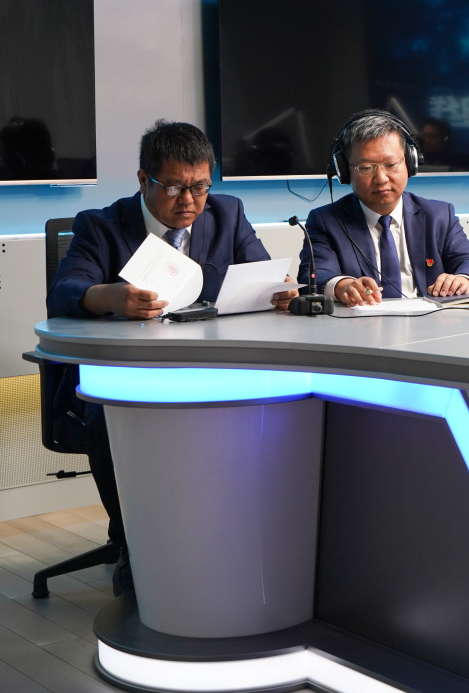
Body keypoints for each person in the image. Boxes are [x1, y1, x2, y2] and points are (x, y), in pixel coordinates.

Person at [45, 119, 296, 594]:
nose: (189, 201)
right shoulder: (100, 225)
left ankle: (235, 537)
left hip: (211, 368)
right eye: (175, 187)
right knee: (106, 414)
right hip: (128, 374)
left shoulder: (227, 213)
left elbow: (261, 273)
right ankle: (132, 543)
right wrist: (109, 296)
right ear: (145, 179)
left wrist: (278, 290)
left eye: (200, 187)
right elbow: (63, 293)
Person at [300, 109, 469, 305]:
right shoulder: (325, 221)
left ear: (410, 162)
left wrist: (462, 279)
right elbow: (313, 276)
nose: (381, 178)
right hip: (364, 321)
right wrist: (343, 286)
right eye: (366, 168)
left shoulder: (439, 215)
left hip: (431, 319)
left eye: (390, 164)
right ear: (344, 171)